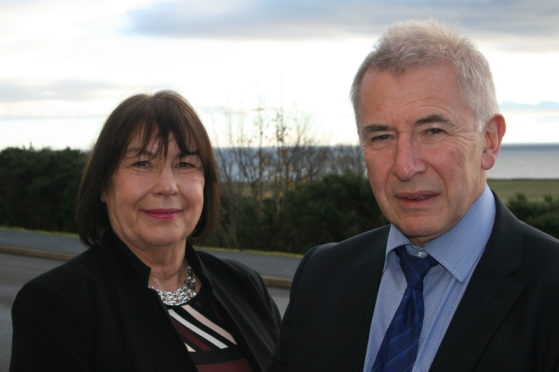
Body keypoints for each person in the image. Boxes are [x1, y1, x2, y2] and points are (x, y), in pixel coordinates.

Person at [275, 20, 559, 371]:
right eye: (382, 137)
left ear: (489, 141)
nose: (405, 166)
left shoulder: (550, 289)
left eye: (433, 131)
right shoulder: (322, 276)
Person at [10, 91, 281, 372]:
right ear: (104, 185)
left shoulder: (244, 285)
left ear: (205, 183)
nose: (167, 185)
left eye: (185, 164)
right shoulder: (58, 303)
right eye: (142, 163)